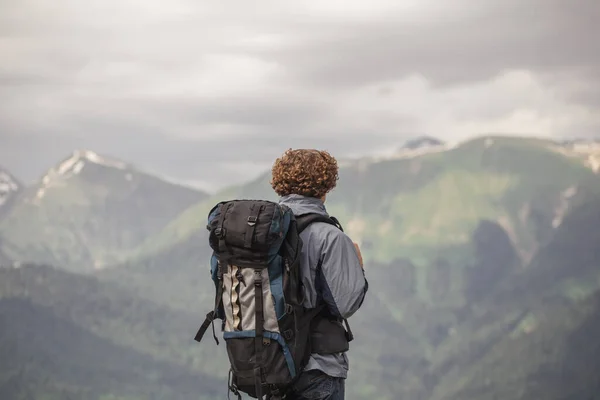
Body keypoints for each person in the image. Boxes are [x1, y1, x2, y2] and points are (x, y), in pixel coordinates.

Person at [270, 148, 368, 400]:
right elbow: (344, 305)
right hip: (316, 369)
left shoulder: (262, 233)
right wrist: (358, 266)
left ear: (280, 183)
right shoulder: (330, 237)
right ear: (326, 187)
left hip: (270, 365)